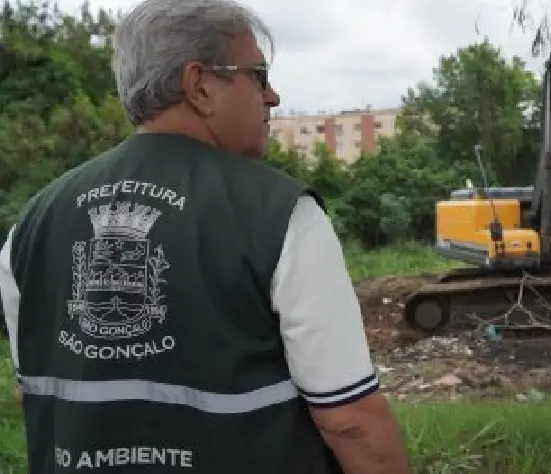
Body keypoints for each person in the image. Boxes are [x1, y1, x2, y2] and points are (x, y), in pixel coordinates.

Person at [0, 0, 412, 472]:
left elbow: (31, 392)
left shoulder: (33, 221)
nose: (272, 96)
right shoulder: (281, 214)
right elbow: (351, 421)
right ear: (200, 87)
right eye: (258, 75)